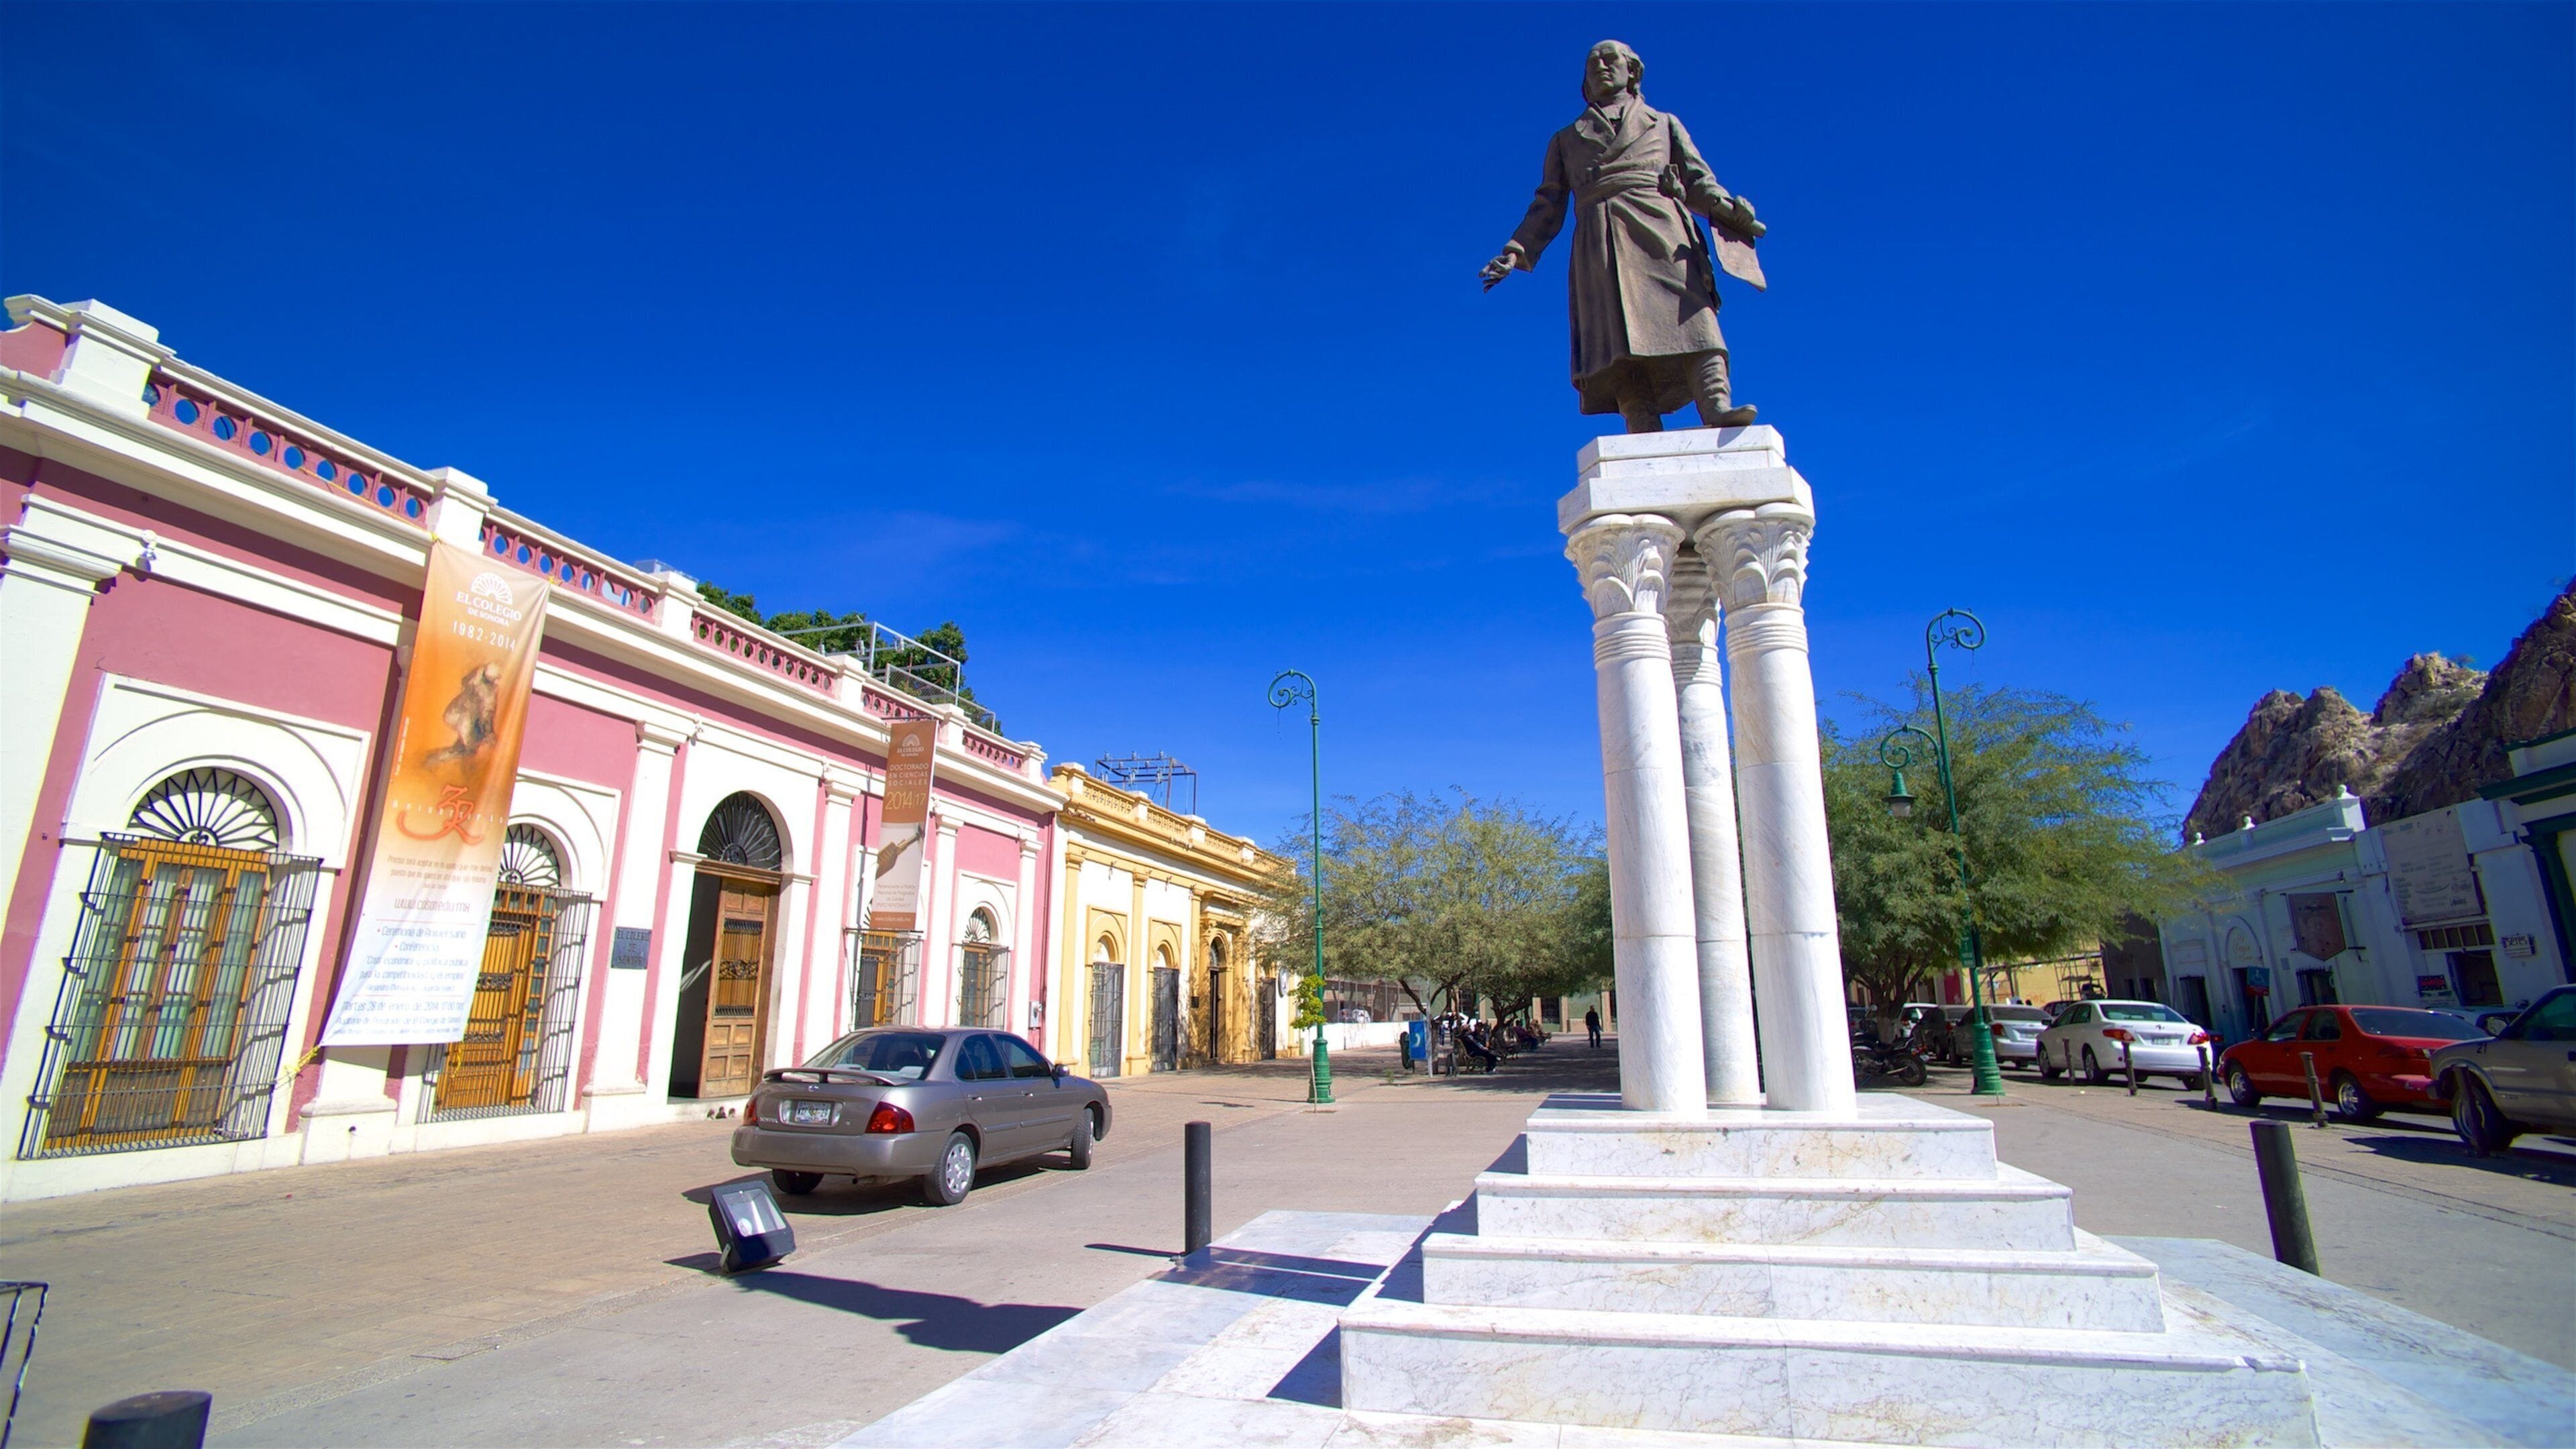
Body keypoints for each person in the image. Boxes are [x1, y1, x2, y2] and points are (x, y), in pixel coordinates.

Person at [1481, 40, 1766, 433]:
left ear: (1632, 71)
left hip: (1660, 225)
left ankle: (1715, 404)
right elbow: (1547, 204)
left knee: (1693, 312)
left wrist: (1728, 208)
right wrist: (1516, 251)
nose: (1601, 65)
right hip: (1600, 240)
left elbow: (1699, 181)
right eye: (1592, 61)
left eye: (1609, 58)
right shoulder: (1565, 139)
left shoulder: (1663, 122)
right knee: (1616, 337)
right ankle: (1641, 420)